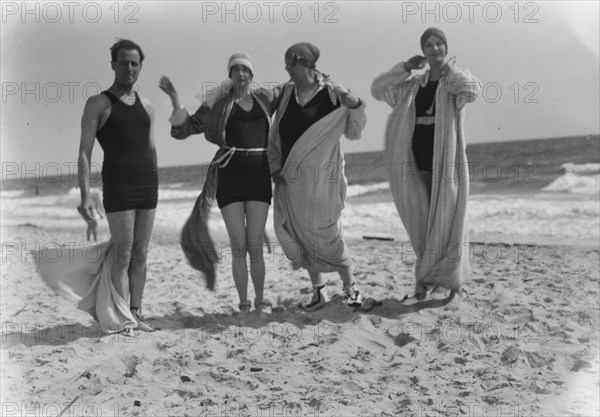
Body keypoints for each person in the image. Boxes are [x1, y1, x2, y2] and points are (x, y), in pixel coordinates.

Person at [159, 52, 280, 316]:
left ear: (252, 74)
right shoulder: (218, 105)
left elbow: (292, 95)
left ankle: (260, 301)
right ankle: (244, 304)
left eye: (246, 69)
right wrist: (174, 98)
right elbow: (187, 128)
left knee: (255, 244)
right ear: (230, 74)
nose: (241, 74)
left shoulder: (264, 100)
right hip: (230, 174)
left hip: (259, 174)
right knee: (239, 245)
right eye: (236, 70)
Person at [371, 27, 480, 301]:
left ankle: (453, 282)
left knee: (450, 221)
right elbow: (378, 89)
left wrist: (450, 70)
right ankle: (425, 279)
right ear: (423, 50)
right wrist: (405, 68)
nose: (434, 49)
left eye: (439, 43)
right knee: (422, 225)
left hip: (446, 164)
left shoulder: (454, 82)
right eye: (429, 45)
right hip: (415, 163)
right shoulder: (413, 84)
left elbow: (473, 90)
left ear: (445, 46)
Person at [268, 42, 366, 311]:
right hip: (292, 180)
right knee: (301, 235)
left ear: (306, 63)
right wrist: (274, 167)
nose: (286, 66)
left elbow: (355, 130)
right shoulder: (287, 94)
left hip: (324, 180)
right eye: (286, 61)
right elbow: (275, 137)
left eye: (291, 61)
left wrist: (355, 103)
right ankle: (319, 291)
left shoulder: (332, 93)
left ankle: (351, 289)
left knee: (328, 233)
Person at [77, 39, 159, 331]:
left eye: (134, 63)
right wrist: (86, 194)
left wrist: (156, 182)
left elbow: (151, 150)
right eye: (123, 62)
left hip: (148, 187)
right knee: (122, 254)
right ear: (113, 64)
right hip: (118, 186)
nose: (129, 68)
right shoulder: (98, 103)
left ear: (140, 67)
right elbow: (85, 152)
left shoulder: (147, 106)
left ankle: (135, 313)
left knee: (140, 254)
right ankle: (122, 318)